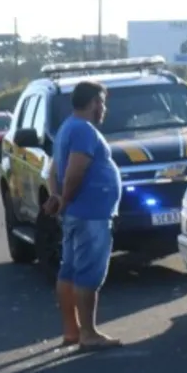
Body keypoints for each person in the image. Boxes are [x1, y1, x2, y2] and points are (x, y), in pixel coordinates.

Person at [43, 80, 122, 352]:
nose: (104, 109)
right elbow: (75, 171)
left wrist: (57, 197)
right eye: (103, 103)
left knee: (70, 271)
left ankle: (72, 331)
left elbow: (54, 171)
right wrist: (64, 200)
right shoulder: (84, 131)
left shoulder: (66, 128)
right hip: (90, 214)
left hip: (78, 213)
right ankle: (88, 333)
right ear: (94, 103)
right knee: (88, 274)